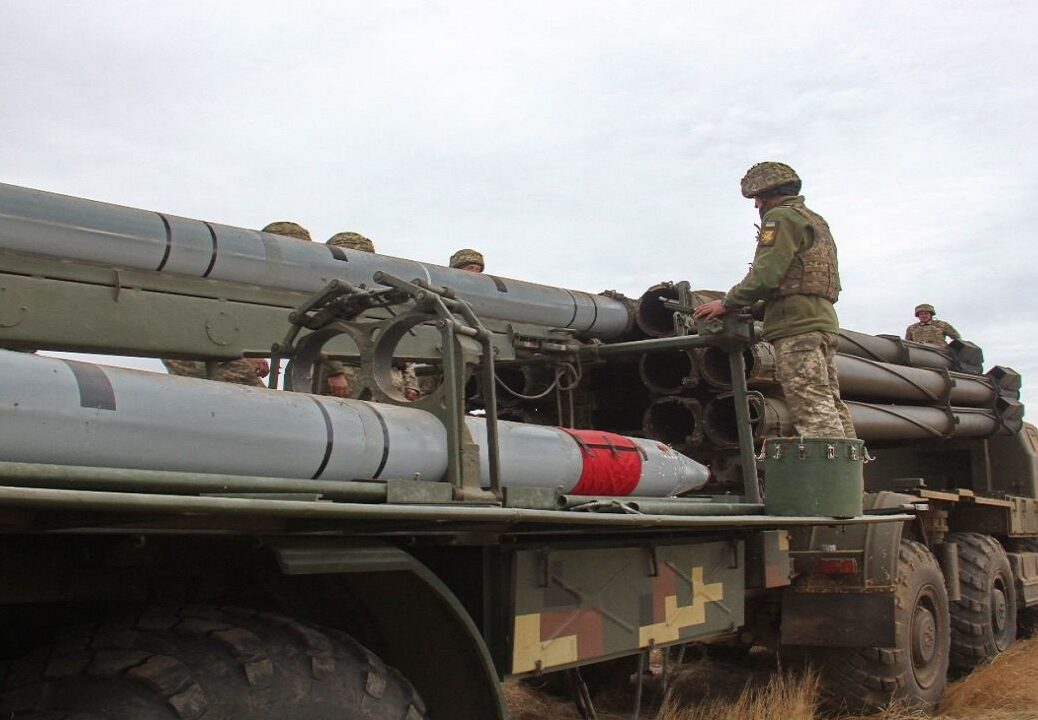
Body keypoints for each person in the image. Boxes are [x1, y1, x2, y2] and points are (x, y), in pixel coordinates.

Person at [693, 162, 855, 439]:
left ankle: (827, 480)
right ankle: (848, 476)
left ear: (770, 193)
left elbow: (766, 274)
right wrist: (756, 307)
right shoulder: (814, 219)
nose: (757, 206)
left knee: (810, 406)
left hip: (796, 325)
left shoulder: (780, 218)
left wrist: (727, 303)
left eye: (758, 198)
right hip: (822, 322)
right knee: (829, 402)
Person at [162, 221, 312, 386]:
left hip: (214, 345)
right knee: (259, 401)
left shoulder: (263, 276)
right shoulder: (233, 269)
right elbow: (212, 315)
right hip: (193, 343)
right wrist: (245, 353)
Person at [323, 232, 420, 401]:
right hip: (347, 375)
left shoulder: (380, 292)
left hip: (386, 376)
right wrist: (335, 371)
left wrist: (411, 382)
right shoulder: (327, 288)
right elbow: (318, 331)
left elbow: (398, 338)